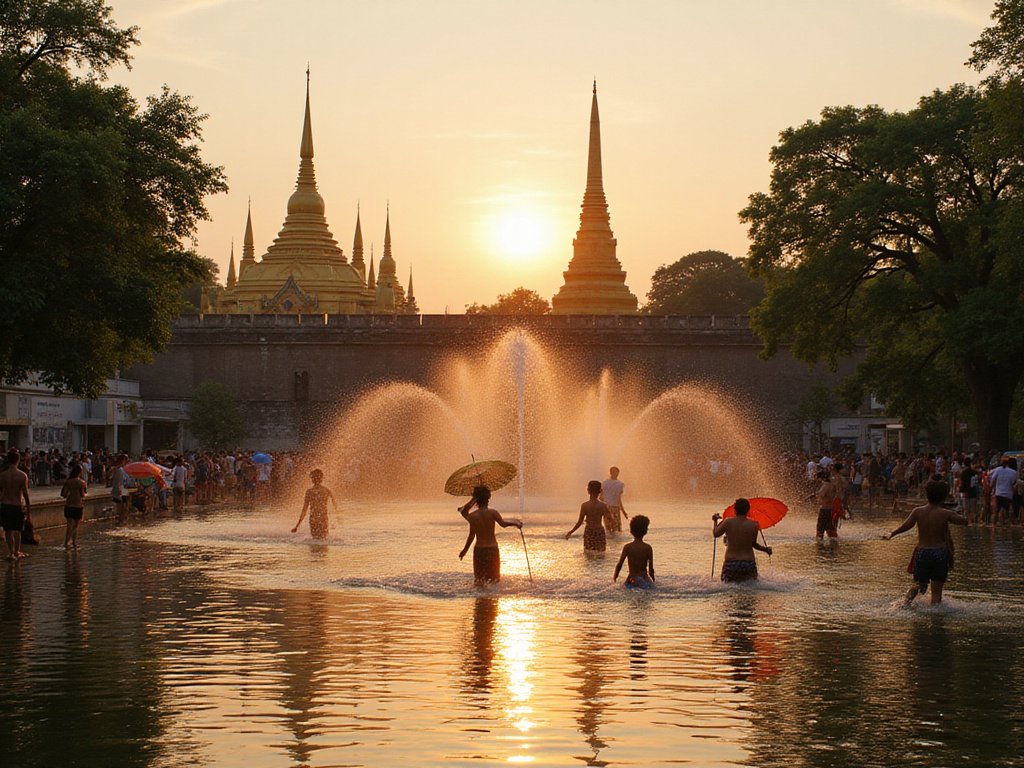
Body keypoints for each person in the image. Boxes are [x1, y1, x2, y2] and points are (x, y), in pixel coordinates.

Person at [884, 478, 966, 604]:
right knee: (937, 593)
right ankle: (935, 616)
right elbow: (964, 522)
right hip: (940, 553)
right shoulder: (946, 513)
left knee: (919, 585)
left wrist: (892, 534)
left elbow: (905, 526)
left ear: (927, 495)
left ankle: (904, 603)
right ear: (944, 497)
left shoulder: (918, 511)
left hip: (922, 552)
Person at [458, 485, 522, 586]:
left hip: (479, 551)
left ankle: (480, 600)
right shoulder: (493, 513)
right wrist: (516, 523)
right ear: (488, 498)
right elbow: (504, 524)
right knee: (495, 580)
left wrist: (464, 551)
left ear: (476, 501)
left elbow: (471, 535)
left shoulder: (473, 516)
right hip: (492, 549)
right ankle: (492, 600)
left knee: (479, 581)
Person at [712, 498, 772, 582]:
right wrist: (766, 549)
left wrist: (715, 521)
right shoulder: (754, 525)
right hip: (748, 563)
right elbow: (754, 544)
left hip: (731, 563)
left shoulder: (728, 522)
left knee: (729, 590)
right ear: (748, 510)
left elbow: (716, 534)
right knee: (750, 590)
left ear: (735, 509)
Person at [0, 449, 31, 560]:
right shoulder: (22, 475)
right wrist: (28, 511)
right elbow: (26, 495)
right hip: (17, 505)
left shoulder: (3, 475)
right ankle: (17, 552)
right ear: (18, 460)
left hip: (6, 505)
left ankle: (10, 552)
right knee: (18, 530)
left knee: (8, 531)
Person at [292, 469, 337, 539]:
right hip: (323, 518)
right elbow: (335, 506)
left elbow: (304, 510)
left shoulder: (309, 492)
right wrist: (339, 518)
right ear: (322, 478)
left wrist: (297, 526)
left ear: (312, 479)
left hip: (313, 518)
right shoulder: (327, 490)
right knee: (324, 541)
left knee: (315, 542)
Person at [565, 480, 610, 552]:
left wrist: (571, 532)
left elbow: (579, 522)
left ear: (588, 490)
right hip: (599, 531)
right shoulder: (603, 505)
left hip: (589, 531)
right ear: (600, 491)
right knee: (601, 553)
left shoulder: (585, 505)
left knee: (588, 554)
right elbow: (610, 519)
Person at [613, 514, 655, 588]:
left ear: (631, 530)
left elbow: (620, 564)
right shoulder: (648, 548)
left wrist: (615, 576)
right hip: (644, 580)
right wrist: (653, 579)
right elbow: (651, 569)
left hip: (632, 579)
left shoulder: (628, 547)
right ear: (645, 531)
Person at [61, 463, 88, 549]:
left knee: (69, 525)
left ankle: (66, 542)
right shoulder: (82, 483)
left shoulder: (68, 482)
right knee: (76, 526)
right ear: (80, 472)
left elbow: (64, 494)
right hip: (78, 505)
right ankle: (74, 543)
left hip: (69, 505)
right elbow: (83, 495)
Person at [989, 455, 1018, 526]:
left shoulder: (998, 470)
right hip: (1008, 494)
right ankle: (1005, 524)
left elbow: (992, 480)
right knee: (1006, 510)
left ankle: (993, 526)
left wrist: (990, 490)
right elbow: (1014, 484)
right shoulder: (1013, 472)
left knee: (996, 511)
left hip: (998, 493)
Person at [814, 467, 841, 542]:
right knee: (831, 530)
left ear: (821, 478)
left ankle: (820, 547)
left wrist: (816, 495)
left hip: (825, 509)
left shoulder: (825, 485)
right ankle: (834, 548)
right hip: (831, 509)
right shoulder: (832, 485)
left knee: (820, 531)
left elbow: (822, 495)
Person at [600, 466, 628, 533]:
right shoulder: (620, 484)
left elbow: (601, 497)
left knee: (608, 527)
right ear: (618, 473)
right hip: (614, 507)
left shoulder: (604, 483)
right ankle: (615, 542)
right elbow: (618, 499)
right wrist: (623, 512)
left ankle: (610, 542)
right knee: (617, 528)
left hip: (606, 507)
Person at [111, 454, 130, 519]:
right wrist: (119, 488)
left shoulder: (121, 469)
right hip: (120, 488)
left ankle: (122, 516)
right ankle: (120, 517)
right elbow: (119, 480)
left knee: (125, 503)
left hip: (123, 488)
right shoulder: (119, 469)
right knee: (121, 504)